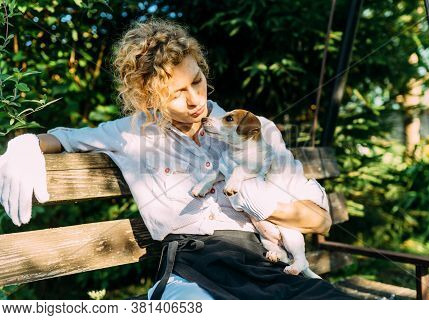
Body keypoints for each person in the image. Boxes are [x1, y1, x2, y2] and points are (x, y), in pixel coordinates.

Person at [0, 18, 351, 299]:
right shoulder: (131, 134)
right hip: (192, 267)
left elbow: (319, 220)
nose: (195, 100)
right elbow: (64, 138)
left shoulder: (256, 131)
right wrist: (25, 145)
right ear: (148, 98)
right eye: (176, 94)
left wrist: (254, 198)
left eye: (197, 82)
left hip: (266, 261)